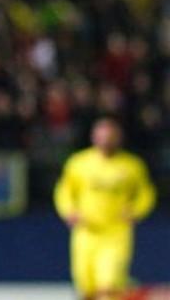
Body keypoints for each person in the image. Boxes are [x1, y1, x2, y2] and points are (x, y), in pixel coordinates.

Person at [55, 117, 156, 299]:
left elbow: (145, 193)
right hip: (85, 232)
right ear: (94, 137)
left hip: (116, 232)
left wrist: (136, 211)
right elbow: (64, 191)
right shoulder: (79, 163)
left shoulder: (132, 166)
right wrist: (69, 211)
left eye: (110, 137)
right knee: (86, 286)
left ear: (119, 139)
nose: (106, 141)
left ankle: (126, 288)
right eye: (102, 137)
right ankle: (131, 289)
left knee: (109, 284)